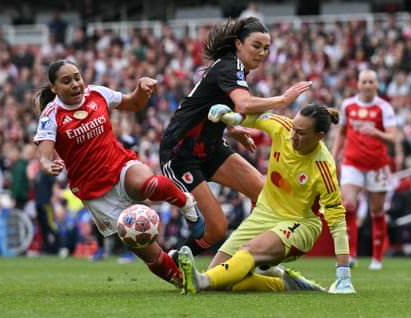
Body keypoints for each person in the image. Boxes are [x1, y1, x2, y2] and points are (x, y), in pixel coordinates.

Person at [32, 59, 204, 288]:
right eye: (66, 81)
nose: (75, 84)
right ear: (53, 87)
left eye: (77, 77)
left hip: (120, 165)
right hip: (96, 193)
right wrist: (47, 164)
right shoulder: (51, 115)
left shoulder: (97, 94)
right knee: (149, 251)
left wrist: (141, 89)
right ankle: (185, 282)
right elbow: (44, 153)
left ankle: (186, 203)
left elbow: (134, 103)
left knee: (147, 185)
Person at [159, 17, 312, 257]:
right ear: (238, 44)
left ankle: (245, 256)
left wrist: (232, 129)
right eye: (256, 45)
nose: (262, 52)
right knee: (216, 229)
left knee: (264, 194)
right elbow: (244, 103)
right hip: (181, 152)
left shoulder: (234, 68)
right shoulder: (230, 67)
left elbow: (218, 105)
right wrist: (283, 100)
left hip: (210, 148)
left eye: (266, 48)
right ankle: (174, 259)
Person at [177, 103, 356, 295]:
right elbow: (254, 118)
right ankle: (284, 282)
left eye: (301, 133)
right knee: (224, 281)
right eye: (294, 128)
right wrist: (231, 116)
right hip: (264, 214)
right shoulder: (283, 127)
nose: (292, 136)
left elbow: (337, 221)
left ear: (319, 137)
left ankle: (201, 281)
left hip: (299, 223)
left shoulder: (323, 168)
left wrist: (343, 275)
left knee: (248, 251)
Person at [332, 69, 398, 270]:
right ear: (358, 84)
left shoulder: (384, 108)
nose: (368, 85)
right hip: (352, 163)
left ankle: (377, 258)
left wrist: (376, 132)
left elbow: (393, 138)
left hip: (377, 165)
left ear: (377, 85)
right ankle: (351, 254)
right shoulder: (348, 106)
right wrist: (334, 156)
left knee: (377, 211)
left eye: (371, 82)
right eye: (364, 82)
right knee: (348, 205)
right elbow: (342, 133)